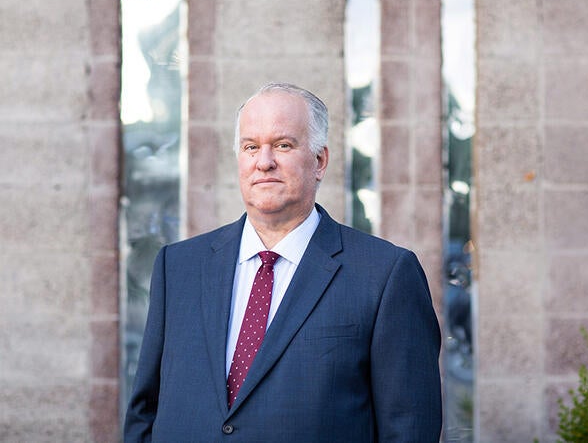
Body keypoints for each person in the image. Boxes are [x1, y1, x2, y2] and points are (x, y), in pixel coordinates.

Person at [124, 82, 442, 442]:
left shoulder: (384, 274)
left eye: (283, 145)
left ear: (319, 160)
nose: (264, 162)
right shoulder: (178, 267)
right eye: (250, 147)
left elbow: (409, 427)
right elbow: (144, 413)